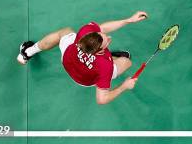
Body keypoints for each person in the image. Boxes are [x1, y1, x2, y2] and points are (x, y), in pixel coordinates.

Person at [17, 11, 148, 105]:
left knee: (64, 32)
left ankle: (27, 52)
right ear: (98, 51)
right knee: (126, 62)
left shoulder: (85, 33)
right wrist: (124, 86)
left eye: (103, 35)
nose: (109, 37)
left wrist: (128, 20)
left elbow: (102, 28)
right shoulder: (105, 67)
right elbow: (101, 99)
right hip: (84, 80)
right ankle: (114, 57)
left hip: (67, 59)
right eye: (106, 41)